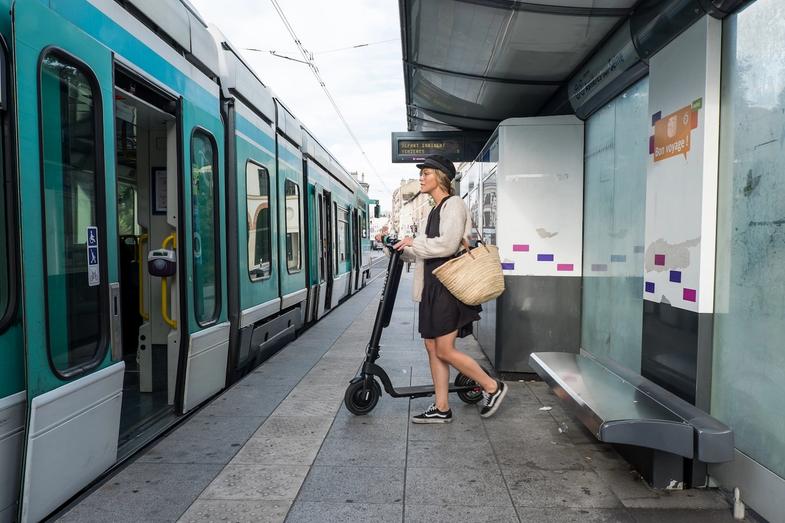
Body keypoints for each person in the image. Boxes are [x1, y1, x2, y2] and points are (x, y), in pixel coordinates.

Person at [393, 154, 507, 423]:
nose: (421, 177)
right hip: (433, 287)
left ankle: (493, 386)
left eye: (426, 173)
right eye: (421, 174)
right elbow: (424, 250)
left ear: (442, 176)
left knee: (444, 349)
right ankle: (441, 407)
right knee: (432, 347)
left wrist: (414, 242)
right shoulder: (433, 209)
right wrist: (400, 249)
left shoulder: (453, 205)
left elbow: (446, 246)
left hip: (448, 287)